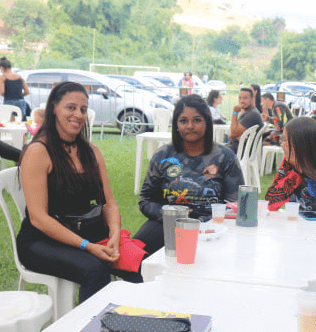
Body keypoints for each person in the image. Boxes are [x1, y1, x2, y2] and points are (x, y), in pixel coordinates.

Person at [17, 81, 143, 304]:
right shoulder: (38, 152)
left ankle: (138, 320)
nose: (78, 114)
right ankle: (90, 325)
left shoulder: (91, 152)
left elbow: (108, 203)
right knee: (95, 270)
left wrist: (114, 235)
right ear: (54, 108)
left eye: (83, 109)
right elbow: (38, 218)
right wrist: (87, 247)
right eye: (71, 107)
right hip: (43, 241)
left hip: (89, 233)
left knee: (141, 266)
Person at [134, 94, 244, 254]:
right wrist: (170, 214)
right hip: (168, 225)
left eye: (197, 120)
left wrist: (205, 222)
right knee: (134, 255)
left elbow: (237, 204)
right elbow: (146, 200)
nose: (190, 126)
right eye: (183, 121)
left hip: (213, 229)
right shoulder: (163, 155)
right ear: (176, 124)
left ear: (207, 122)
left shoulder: (225, 157)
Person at [265, 116, 316, 218]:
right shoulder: (288, 163)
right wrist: (295, 174)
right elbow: (270, 202)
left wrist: (305, 170)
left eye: (285, 140)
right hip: (296, 222)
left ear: (300, 144)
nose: (282, 144)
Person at [226, 87, 263, 154]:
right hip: (235, 147)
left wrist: (235, 112)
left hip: (240, 151)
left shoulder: (252, 114)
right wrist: (237, 135)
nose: (241, 101)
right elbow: (231, 134)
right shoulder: (247, 112)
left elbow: (233, 133)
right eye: (240, 98)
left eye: (245, 98)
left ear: (252, 99)